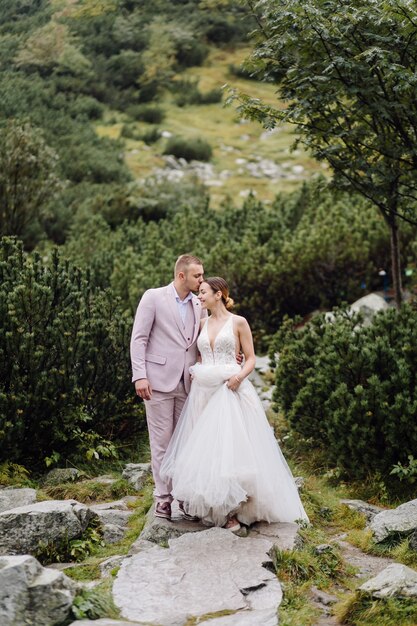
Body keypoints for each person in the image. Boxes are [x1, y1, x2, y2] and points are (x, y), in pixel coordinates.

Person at [160, 277, 309, 531]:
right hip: (204, 393)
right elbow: (196, 354)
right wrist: (195, 370)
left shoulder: (239, 322)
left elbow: (250, 358)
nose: (199, 297)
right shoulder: (201, 323)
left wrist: (239, 376)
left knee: (235, 451)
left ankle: (237, 509)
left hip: (231, 389)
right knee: (209, 451)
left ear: (218, 294)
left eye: (203, 292)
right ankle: (217, 508)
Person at [130, 254, 206, 520]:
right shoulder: (153, 297)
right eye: (197, 275)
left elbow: (204, 340)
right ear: (181, 275)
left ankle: (183, 496)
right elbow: (139, 338)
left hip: (189, 382)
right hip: (157, 381)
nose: (202, 280)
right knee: (161, 442)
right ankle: (163, 499)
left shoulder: (200, 303)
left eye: (202, 275)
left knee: (184, 442)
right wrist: (140, 375)